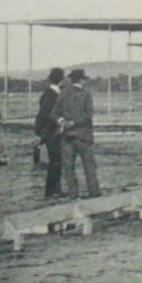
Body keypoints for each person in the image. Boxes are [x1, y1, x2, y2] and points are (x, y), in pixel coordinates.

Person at [54, 67, 101, 199]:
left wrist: (62, 121)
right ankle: (94, 193)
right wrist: (74, 123)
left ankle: (73, 194)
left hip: (67, 137)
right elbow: (88, 116)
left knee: (69, 168)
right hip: (83, 136)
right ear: (81, 80)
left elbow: (54, 113)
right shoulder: (86, 94)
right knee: (89, 167)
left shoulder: (63, 93)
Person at [34, 67, 65, 198]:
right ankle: (52, 190)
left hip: (51, 131)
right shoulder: (50, 95)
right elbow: (47, 114)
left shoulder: (53, 93)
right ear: (61, 80)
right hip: (51, 131)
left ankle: (55, 189)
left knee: (56, 160)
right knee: (55, 160)